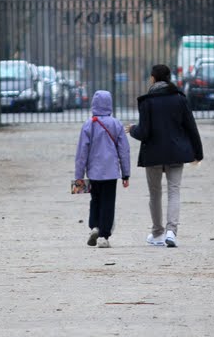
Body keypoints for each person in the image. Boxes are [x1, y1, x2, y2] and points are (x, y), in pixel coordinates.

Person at [128, 64, 203, 248]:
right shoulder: (179, 99)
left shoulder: (147, 102)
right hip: (176, 152)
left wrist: (132, 130)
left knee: (155, 194)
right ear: (169, 78)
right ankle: (171, 231)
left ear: (153, 78)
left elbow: (144, 132)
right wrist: (198, 153)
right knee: (174, 191)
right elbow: (191, 127)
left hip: (153, 153)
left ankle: (157, 232)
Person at [75, 90, 130, 248]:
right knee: (108, 202)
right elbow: (124, 151)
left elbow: (81, 153)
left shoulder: (88, 124)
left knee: (95, 200)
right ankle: (104, 236)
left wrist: (79, 178)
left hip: (93, 172)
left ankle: (94, 226)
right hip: (111, 172)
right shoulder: (116, 124)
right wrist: (126, 174)